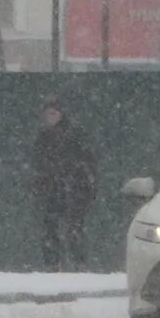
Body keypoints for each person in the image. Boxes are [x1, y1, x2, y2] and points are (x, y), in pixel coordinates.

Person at [29, 99, 98, 270]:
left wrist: (82, 183)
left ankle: (78, 264)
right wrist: (40, 184)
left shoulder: (74, 134)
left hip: (74, 190)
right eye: (47, 114)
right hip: (51, 191)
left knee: (74, 228)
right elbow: (39, 163)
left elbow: (86, 161)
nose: (50, 117)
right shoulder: (43, 137)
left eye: (54, 113)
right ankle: (52, 265)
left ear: (61, 114)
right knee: (50, 229)